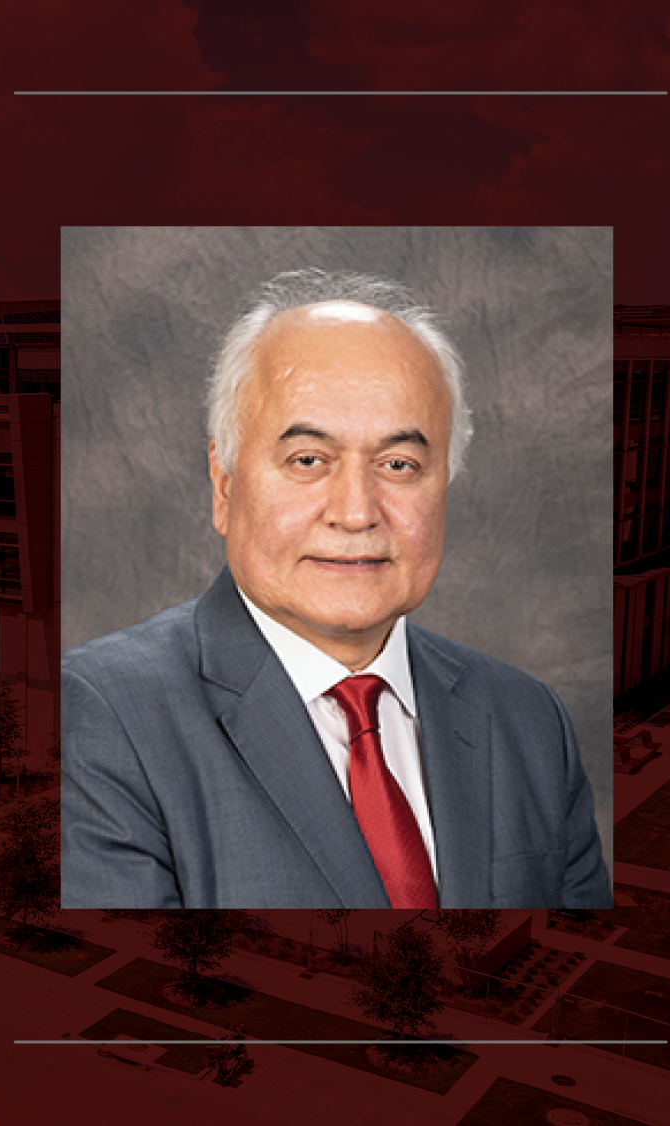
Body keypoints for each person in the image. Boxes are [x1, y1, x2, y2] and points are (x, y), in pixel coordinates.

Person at [62, 268, 610, 910]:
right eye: (308, 460)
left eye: (398, 465)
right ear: (225, 486)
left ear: (444, 489)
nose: (356, 512)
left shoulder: (529, 720)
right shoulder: (102, 717)